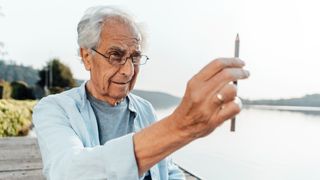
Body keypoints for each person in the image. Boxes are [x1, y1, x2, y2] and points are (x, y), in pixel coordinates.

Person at [32, 6, 250, 180]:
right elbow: (67, 172)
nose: (128, 70)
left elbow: (169, 171)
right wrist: (179, 126)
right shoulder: (54, 108)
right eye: (115, 55)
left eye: (135, 57)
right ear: (87, 57)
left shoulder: (145, 109)